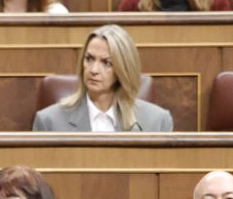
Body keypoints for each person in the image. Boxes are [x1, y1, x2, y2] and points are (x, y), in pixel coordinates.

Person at [33, 24, 173, 132]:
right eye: (89, 59)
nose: (93, 70)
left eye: (107, 63)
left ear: (123, 69)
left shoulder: (157, 122)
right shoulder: (49, 121)